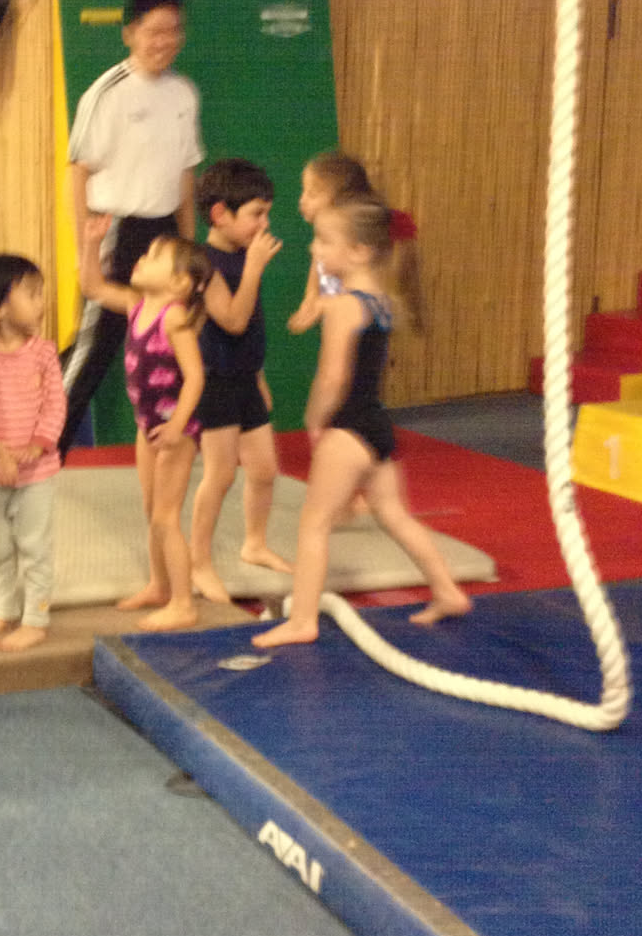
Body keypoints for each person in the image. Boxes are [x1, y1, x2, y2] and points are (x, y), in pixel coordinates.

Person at [253, 194, 471, 648]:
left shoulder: (344, 306)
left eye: (323, 240)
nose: (314, 248)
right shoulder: (382, 301)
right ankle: (447, 590)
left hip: (349, 427)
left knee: (313, 524)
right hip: (376, 424)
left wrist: (315, 418)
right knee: (394, 515)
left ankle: (303, 619)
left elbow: (334, 376)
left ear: (359, 251)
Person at [60, 0, 202, 456]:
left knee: (174, 337)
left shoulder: (183, 93)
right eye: (154, 31)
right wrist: (85, 244)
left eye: (174, 31)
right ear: (130, 34)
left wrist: (188, 245)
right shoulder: (108, 93)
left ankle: (170, 442)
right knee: (96, 347)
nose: (165, 41)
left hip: (165, 234)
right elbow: (77, 172)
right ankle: (46, 448)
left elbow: (185, 173)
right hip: (116, 229)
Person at [81, 215, 213, 631]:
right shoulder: (137, 305)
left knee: (165, 517)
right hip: (147, 426)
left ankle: (183, 603)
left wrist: (176, 426)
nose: (142, 257)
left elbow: (195, 377)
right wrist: (91, 244)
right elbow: (93, 287)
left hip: (176, 431)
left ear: (180, 283)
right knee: (151, 510)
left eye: (155, 256)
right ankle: (159, 585)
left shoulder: (174, 318)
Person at [187, 158, 293, 605]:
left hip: (245, 377)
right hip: (214, 381)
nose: (264, 223)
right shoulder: (205, 263)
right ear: (219, 214)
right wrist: (252, 270)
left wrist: (259, 375)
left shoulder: (242, 257)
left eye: (267, 213)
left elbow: (251, 325)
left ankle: (254, 543)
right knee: (221, 474)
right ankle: (198, 562)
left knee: (264, 470)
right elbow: (232, 320)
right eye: (256, 214)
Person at [0, 254, 67, 654]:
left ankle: (35, 619)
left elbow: (56, 403)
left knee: (35, 546)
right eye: (32, 295)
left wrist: (39, 443)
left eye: (41, 294)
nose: (42, 302)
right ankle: (3, 610)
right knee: (0, 546)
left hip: (37, 470)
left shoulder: (44, 353)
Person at [289, 150, 424, 336]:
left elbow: (362, 298)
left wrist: (326, 305)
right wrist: (311, 300)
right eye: (303, 192)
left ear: (340, 201)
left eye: (312, 194)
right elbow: (316, 280)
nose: (302, 200)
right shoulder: (324, 247)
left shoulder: (353, 249)